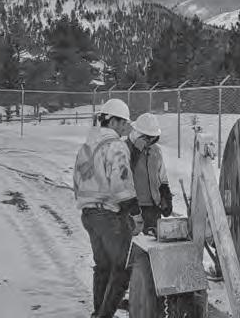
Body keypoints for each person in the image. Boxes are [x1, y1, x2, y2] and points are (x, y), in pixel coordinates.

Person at [73, 98, 144, 318]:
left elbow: (77, 182)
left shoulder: (87, 146)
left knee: (103, 266)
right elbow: (121, 184)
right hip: (108, 215)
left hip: (88, 214)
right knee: (122, 268)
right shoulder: (116, 146)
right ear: (112, 121)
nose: (125, 129)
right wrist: (135, 213)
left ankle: (98, 313)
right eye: (123, 123)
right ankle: (104, 315)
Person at [126, 113, 174, 232]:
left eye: (153, 138)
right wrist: (135, 153)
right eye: (147, 137)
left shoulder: (156, 150)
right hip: (133, 210)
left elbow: (162, 178)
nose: (150, 141)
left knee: (154, 242)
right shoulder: (123, 148)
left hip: (153, 209)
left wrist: (166, 197)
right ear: (138, 133)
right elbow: (122, 177)